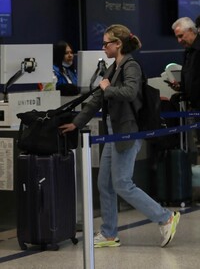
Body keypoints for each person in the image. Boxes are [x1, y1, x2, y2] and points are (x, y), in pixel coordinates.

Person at [59, 24, 180, 248]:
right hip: (113, 133)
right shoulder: (113, 67)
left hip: (126, 132)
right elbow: (96, 99)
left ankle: (165, 217)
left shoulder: (130, 66)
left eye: (106, 43)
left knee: (122, 183)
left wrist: (107, 88)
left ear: (118, 44)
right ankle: (109, 234)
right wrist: (76, 123)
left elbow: (130, 93)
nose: (103, 47)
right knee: (104, 183)